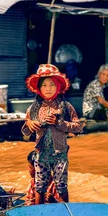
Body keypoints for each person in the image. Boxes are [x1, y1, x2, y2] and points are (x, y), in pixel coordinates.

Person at [22, 64, 83, 204]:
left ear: (58, 86)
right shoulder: (33, 109)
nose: (48, 89)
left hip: (60, 154)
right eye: (44, 85)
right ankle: (39, 215)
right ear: (39, 88)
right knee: (39, 186)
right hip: (41, 154)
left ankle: (64, 215)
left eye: (52, 85)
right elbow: (25, 132)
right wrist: (29, 124)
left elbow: (78, 127)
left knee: (61, 186)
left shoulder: (66, 107)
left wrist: (59, 123)